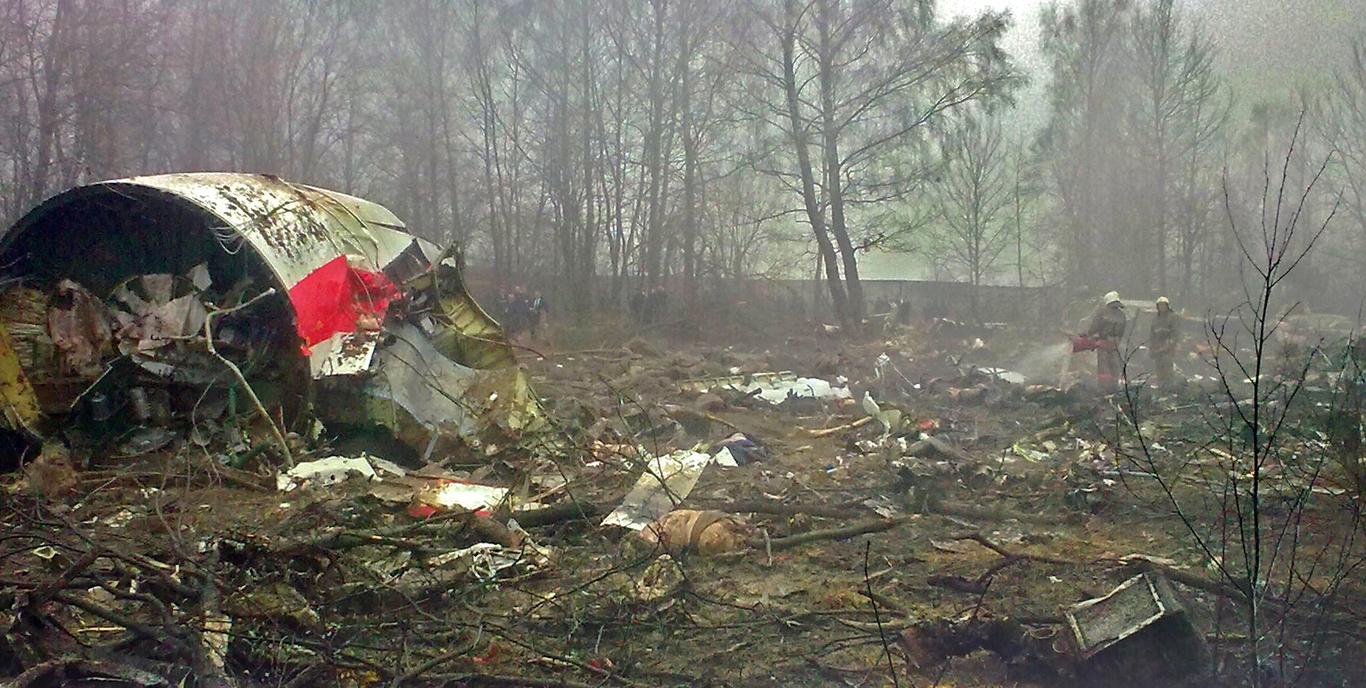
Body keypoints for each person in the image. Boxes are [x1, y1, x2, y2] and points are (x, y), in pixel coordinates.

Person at [1086, 291, 1128, 390]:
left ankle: (1104, 387)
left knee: (1104, 367)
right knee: (1114, 366)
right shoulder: (1122, 315)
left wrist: (1089, 334)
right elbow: (1122, 331)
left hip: (1104, 343)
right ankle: (1114, 386)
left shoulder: (1102, 313)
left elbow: (1094, 327)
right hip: (1115, 344)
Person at [1149, 296, 1179, 385]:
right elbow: (1152, 334)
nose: (1162, 307)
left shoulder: (1172, 318)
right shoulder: (1155, 319)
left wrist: (1169, 346)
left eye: (1163, 305)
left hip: (1167, 348)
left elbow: (1175, 334)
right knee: (1158, 368)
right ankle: (1160, 385)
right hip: (1157, 347)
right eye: (1160, 305)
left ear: (1167, 306)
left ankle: (1169, 385)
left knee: (1167, 367)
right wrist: (1152, 347)